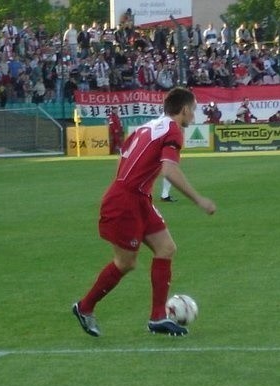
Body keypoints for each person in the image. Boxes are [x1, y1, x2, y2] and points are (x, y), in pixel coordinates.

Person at [72, 87, 216, 338]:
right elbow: (169, 171)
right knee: (126, 263)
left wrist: (132, 188)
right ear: (184, 109)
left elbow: (122, 158)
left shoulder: (147, 127)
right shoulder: (172, 130)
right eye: (193, 109)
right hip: (126, 200)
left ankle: (158, 317)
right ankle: (84, 307)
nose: (194, 115)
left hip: (136, 197)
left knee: (166, 248)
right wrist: (199, 200)